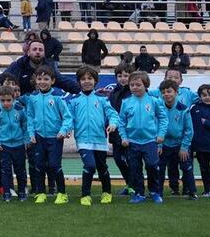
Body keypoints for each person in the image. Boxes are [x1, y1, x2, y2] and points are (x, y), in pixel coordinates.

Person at [69, 66, 119, 205]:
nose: (86, 81)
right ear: (79, 82)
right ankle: (85, 195)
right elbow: (69, 118)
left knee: (102, 167)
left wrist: (113, 123)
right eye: (83, 79)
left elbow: (113, 114)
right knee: (90, 166)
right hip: (83, 140)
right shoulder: (74, 101)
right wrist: (67, 129)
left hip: (99, 139)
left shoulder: (102, 99)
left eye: (89, 78)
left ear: (95, 81)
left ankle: (106, 192)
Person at [26, 67, 73, 205]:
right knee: (38, 165)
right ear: (36, 80)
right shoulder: (33, 97)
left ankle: (62, 193)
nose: (42, 82)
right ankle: (41, 193)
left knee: (54, 165)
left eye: (46, 79)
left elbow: (67, 117)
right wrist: (31, 133)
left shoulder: (58, 96)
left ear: (52, 81)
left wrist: (63, 131)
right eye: (39, 79)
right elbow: (30, 117)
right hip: (39, 137)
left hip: (55, 137)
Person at [118, 71, 168, 204]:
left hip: (150, 141)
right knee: (135, 169)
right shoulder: (126, 102)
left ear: (145, 85)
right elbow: (121, 122)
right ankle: (139, 193)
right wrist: (124, 137)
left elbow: (163, 118)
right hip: (132, 142)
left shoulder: (154, 101)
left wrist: (161, 134)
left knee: (152, 165)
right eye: (132, 85)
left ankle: (154, 191)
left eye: (138, 84)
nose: (134, 87)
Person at [158, 79, 196, 200]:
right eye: (163, 92)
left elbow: (189, 130)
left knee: (186, 167)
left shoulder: (183, 109)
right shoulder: (158, 108)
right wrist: (158, 145)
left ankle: (191, 191)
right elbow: (155, 126)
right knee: (162, 168)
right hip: (164, 144)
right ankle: (160, 191)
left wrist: (184, 147)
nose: (166, 94)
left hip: (180, 145)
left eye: (169, 91)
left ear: (176, 92)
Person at [0, 85, 28, 202]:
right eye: (3, 100)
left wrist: (26, 140)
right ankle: (7, 192)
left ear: (13, 99)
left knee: (20, 170)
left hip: (19, 145)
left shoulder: (20, 109)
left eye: (8, 100)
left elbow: (25, 125)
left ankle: (22, 191)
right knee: (5, 171)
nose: (6, 103)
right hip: (4, 146)